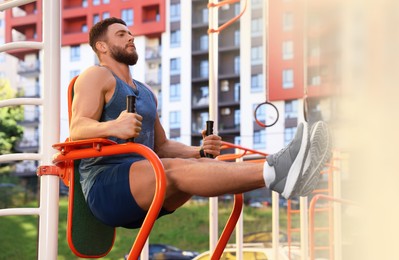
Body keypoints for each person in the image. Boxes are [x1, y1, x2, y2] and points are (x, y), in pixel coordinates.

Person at [70, 17, 331, 229]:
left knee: (195, 163)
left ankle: (285, 175)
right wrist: (112, 127)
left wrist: (198, 151)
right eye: (121, 34)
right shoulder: (96, 76)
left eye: (130, 33)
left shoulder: (146, 92)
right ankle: (277, 168)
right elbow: (77, 129)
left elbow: (160, 146)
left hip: (145, 185)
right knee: (168, 169)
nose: (131, 37)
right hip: (106, 189)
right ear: (101, 47)